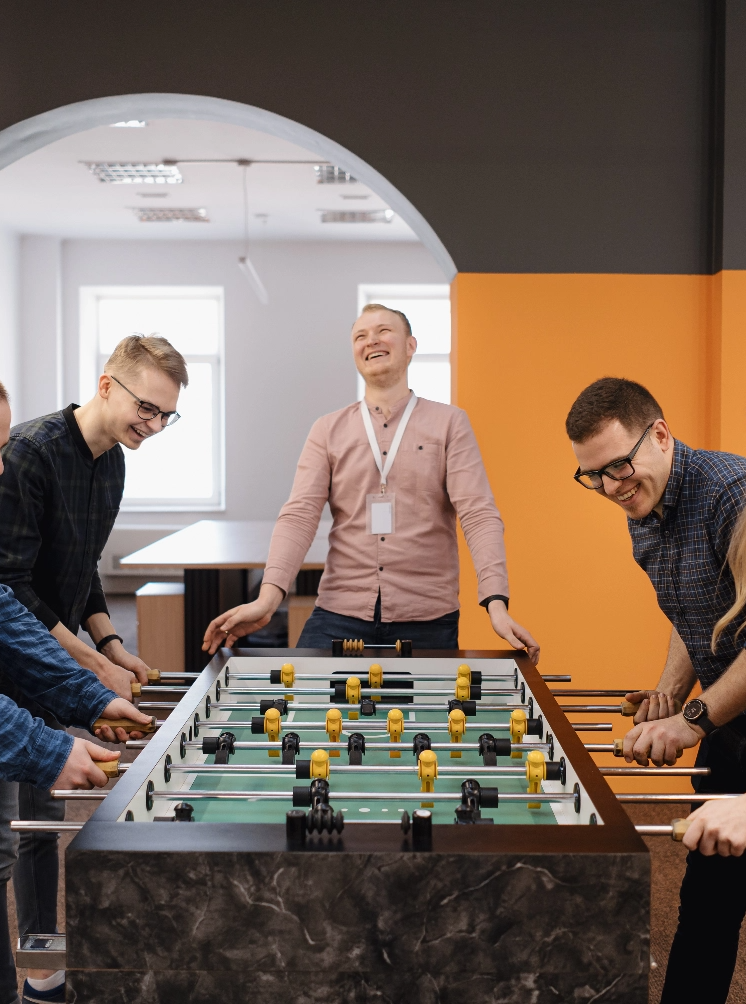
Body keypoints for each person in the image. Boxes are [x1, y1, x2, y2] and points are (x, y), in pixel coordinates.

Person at [0, 341, 186, 1004]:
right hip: (19, 658)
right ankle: (42, 971)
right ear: (107, 386)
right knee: (30, 814)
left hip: (55, 658)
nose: (155, 425)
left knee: (39, 805)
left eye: (168, 415)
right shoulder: (28, 453)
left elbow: (82, 574)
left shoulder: (112, 466)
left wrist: (111, 644)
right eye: (147, 407)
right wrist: (85, 663)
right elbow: (11, 586)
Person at [204, 303, 539, 659]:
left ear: (410, 346)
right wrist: (268, 598)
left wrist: (496, 603)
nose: (371, 341)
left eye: (383, 331)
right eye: (360, 336)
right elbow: (299, 515)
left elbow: (478, 513)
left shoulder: (450, 423)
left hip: (428, 616)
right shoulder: (327, 429)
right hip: (339, 611)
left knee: (426, 716)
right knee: (307, 709)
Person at [565, 376, 746, 1004]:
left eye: (619, 465)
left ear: (661, 436)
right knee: (705, 909)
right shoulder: (643, 511)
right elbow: (688, 608)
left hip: (722, 718)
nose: (612, 486)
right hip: (733, 729)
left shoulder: (733, 496)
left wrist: (692, 721)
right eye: (594, 476)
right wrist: (671, 693)